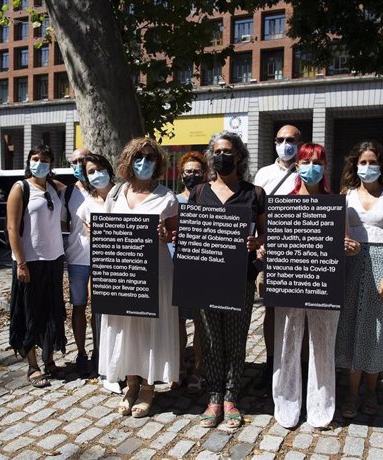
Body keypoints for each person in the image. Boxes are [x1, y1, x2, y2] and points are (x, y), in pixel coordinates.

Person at [271, 143, 361, 429]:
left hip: (323, 283)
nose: (312, 167)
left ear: (325, 167)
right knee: (287, 342)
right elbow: (275, 245)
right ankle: (286, 404)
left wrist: (349, 247)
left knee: (323, 345)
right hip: (291, 284)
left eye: (318, 162)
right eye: (307, 162)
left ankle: (321, 408)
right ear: (297, 166)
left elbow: (342, 241)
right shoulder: (284, 201)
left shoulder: (335, 203)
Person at [98, 137, 180, 418]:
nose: (143, 163)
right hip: (122, 273)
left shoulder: (167, 197)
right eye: (138, 157)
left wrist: (165, 235)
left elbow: (174, 235)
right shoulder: (116, 193)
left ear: (157, 163)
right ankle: (130, 383)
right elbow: (108, 230)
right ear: (129, 161)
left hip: (156, 274)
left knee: (150, 330)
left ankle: (147, 387)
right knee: (126, 329)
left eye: (149, 158)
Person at [189, 131, 266, 429]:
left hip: (241, 278)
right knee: (210, 340)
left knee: (235, 340)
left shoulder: (255, 193)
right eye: (218, 151)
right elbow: (191, 232)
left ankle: (231, 397)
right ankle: (214, 396)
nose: (223, 156)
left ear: (239, 156)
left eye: (228, 151)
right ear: (211, 156)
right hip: (206, 279)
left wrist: (256, 242)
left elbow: (266, 233)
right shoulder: (199, 192)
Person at [335, 140, 383, 418]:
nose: (367, 167)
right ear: (355, 165)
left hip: (380, 263)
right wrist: (344, 242)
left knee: (376, 329)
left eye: (372, 162)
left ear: (382, 164)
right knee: (351, 324)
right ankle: (352, 393)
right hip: (351, 266)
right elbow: (340, 231)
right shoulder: (347, 192)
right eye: (362, 162)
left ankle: (372, 390)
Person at [7, 144, 67, 388]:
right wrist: (21, 262)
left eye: (44, 159)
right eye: (35, 158)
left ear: (52, 163)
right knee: (29, 313)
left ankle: (49, 359)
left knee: (52, 311)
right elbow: (12, 228)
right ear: (28, 161)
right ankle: (32, 366)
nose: (39, 163)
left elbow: (74, 190)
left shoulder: (54, 187)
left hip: (54, 259)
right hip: (29, 261)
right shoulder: (20, 188)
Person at [253, 124, 302, 389]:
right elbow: (254, 212)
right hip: (271, 252)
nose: (286, 144)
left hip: (301, 252)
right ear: (274, 143)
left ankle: (299, 365)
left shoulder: (306, 170)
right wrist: (260, 242)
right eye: (281, 139)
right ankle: (271, 362)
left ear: (299, 142)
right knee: (271, 309)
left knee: (301, 309)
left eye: (291, 139)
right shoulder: (264, 174)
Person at [64, 148, 115, 379]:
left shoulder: (112, 191)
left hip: (105, 259)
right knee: (79, 306)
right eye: (74, 162)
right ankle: (82, 354)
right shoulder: (66, 193)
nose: (79, 165)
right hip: (77, 259)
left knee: (101, 309)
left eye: (82, 160)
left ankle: (100, 353)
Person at [172, 151, 208, 394]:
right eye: (188, 171)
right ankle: (178, 368)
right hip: (175, 266)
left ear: (204, 174)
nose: (192, 175)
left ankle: (198, 370)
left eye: (197, 171)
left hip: (200, 269)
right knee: (177, 322)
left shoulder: (209, 200)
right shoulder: (173, 200)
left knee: (200, 323)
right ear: (181, 174)